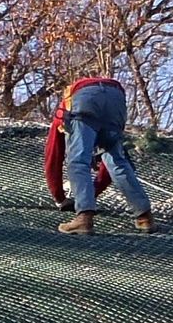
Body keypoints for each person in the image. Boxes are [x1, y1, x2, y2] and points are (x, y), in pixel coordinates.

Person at [46, 72, 153, 235]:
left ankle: (83, 219)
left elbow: (53, 158)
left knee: (77, 161)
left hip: (85, 97)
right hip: (116, 97)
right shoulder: (97, 130)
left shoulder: (62, 116)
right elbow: (108, 171)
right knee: (117, 161)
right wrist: (92, 193)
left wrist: (60, 198)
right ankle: (145, 217)